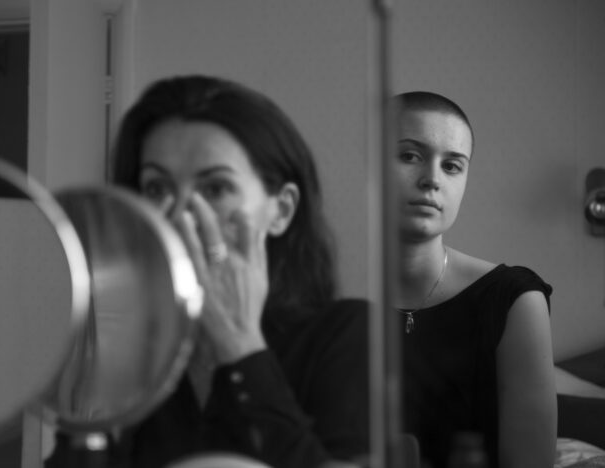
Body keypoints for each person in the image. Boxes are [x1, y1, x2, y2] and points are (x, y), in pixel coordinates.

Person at [99, 75, 369, 468]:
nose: (182, 215)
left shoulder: (346, 335)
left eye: (215, 189)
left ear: (281, 210)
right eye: (156, 188)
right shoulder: (134, 352)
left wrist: (240, 342)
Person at [391, 91, 557, 468]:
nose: (431, 180)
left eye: (452, 166)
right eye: (410, 156)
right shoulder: (336, 305)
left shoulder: (513, 300)